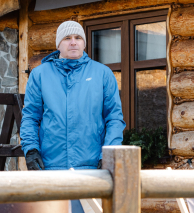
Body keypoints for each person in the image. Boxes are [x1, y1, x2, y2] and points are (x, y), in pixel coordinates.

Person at [20, 21, 126, 170]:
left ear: (84, 43)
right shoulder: (40, 75)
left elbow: (114, 118)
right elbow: (31, 117)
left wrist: (108, 154)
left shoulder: (102, 74)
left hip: (92, 165)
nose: (73, 43)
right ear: (58, 45)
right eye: (67, 38)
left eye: (78, 38)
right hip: (51, 165)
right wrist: (31, 149)